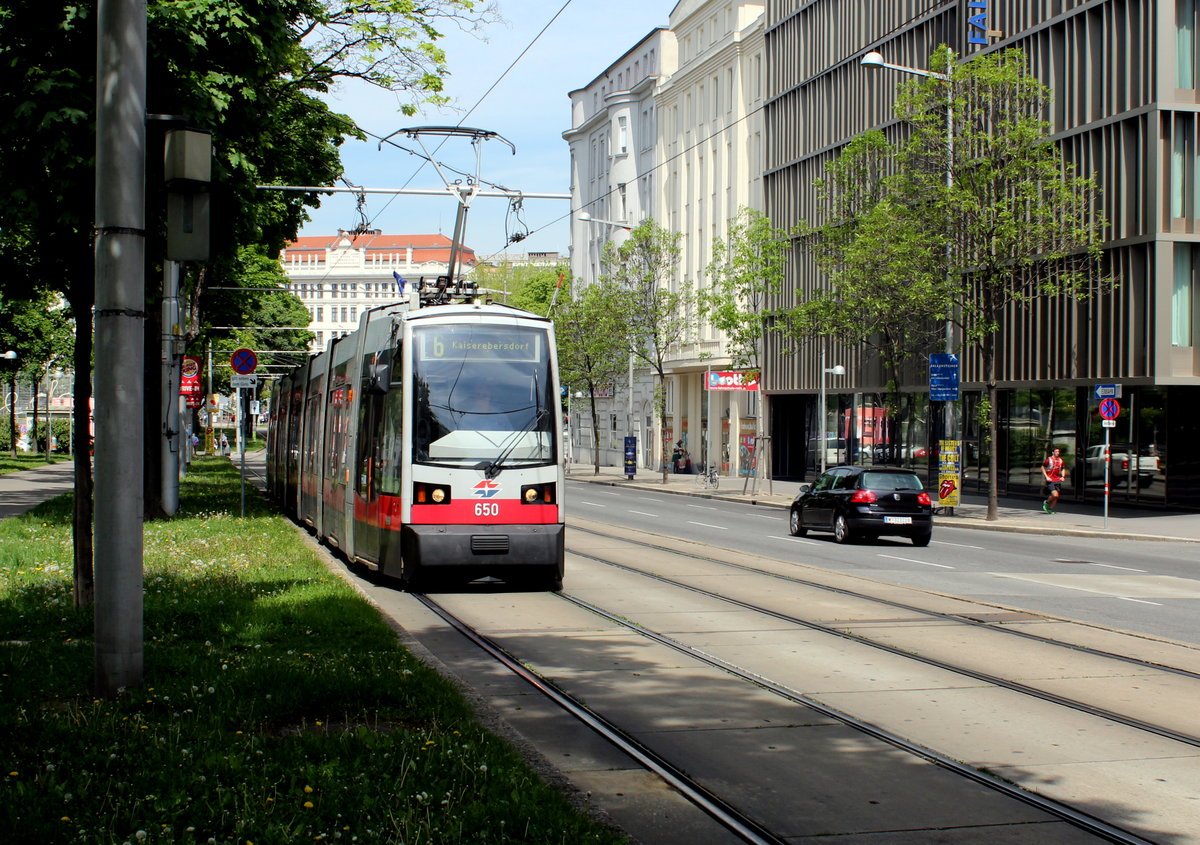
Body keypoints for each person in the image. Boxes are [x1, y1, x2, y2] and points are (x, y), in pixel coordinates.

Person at [1041, 446, 1065, 514]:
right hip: (1050, 480)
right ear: (1053, 452)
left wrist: (1063, 476)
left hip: (1057, 480)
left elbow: (1063, 468)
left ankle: (1050, 509)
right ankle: (1047, 502)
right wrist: (1046, 477)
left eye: (1058, 451)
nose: (1058, 453)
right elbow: (1043, 467)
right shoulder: (1049, 460)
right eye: (1056, 451)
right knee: (1055, 495)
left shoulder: (1060, 460)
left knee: (1056, 497)